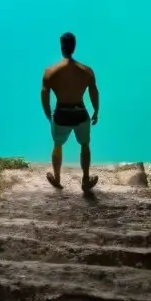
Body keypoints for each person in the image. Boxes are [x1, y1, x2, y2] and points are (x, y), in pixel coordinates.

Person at [41, 32, 99, 192]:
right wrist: (96, 110)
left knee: (57, 145)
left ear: (62, 47)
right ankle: (85, 180)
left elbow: (44, 95)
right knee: (85, 145)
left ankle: (57, 178)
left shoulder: (50, 72)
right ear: (74, 47)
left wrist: (48, 114)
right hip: (80, 113)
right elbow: (94, 92)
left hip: (61, 114)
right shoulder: (86, 71)